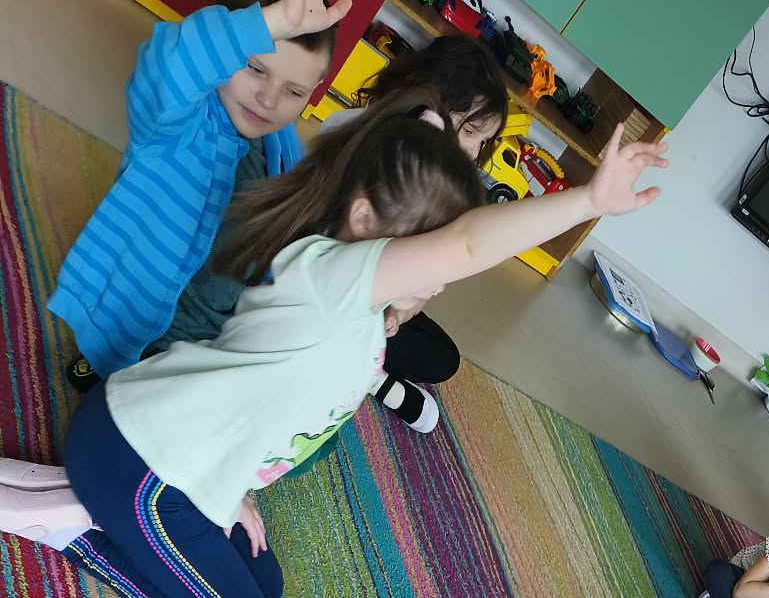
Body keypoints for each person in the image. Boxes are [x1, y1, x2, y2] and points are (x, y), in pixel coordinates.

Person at [0, 118, 666, 598]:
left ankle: (75, 492)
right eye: (425, 252)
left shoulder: (356, 311)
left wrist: (232, 490)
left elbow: (257, 406)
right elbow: (467, 245)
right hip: (142, 465)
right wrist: (588, 201)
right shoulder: (332, 278)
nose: (441, 277)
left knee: (264, 582)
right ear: (366, 221)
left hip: (153, 438)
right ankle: (74, 528)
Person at [155, 31, 515, 434]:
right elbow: (339, 266)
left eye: (482, 141)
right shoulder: (379, 159)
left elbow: (419, 274)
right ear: (430, 109)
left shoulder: (428, 176)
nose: (472, 152)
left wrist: (399, 309)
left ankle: (371, 369)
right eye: (468, 132)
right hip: (319, 286)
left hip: (355, 286)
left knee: (440, 357)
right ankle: (374, 378)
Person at [49, 0, 348, 388]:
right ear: (229, 45)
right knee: (119, 396)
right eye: (255, 68)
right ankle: (104, 365)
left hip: (210, 327)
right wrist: (272, 23)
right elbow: (170, 61)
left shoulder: (282, 146)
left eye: (294, 92)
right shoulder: (176, 120)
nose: (268, 100)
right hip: (139, 320)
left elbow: (293, 223)